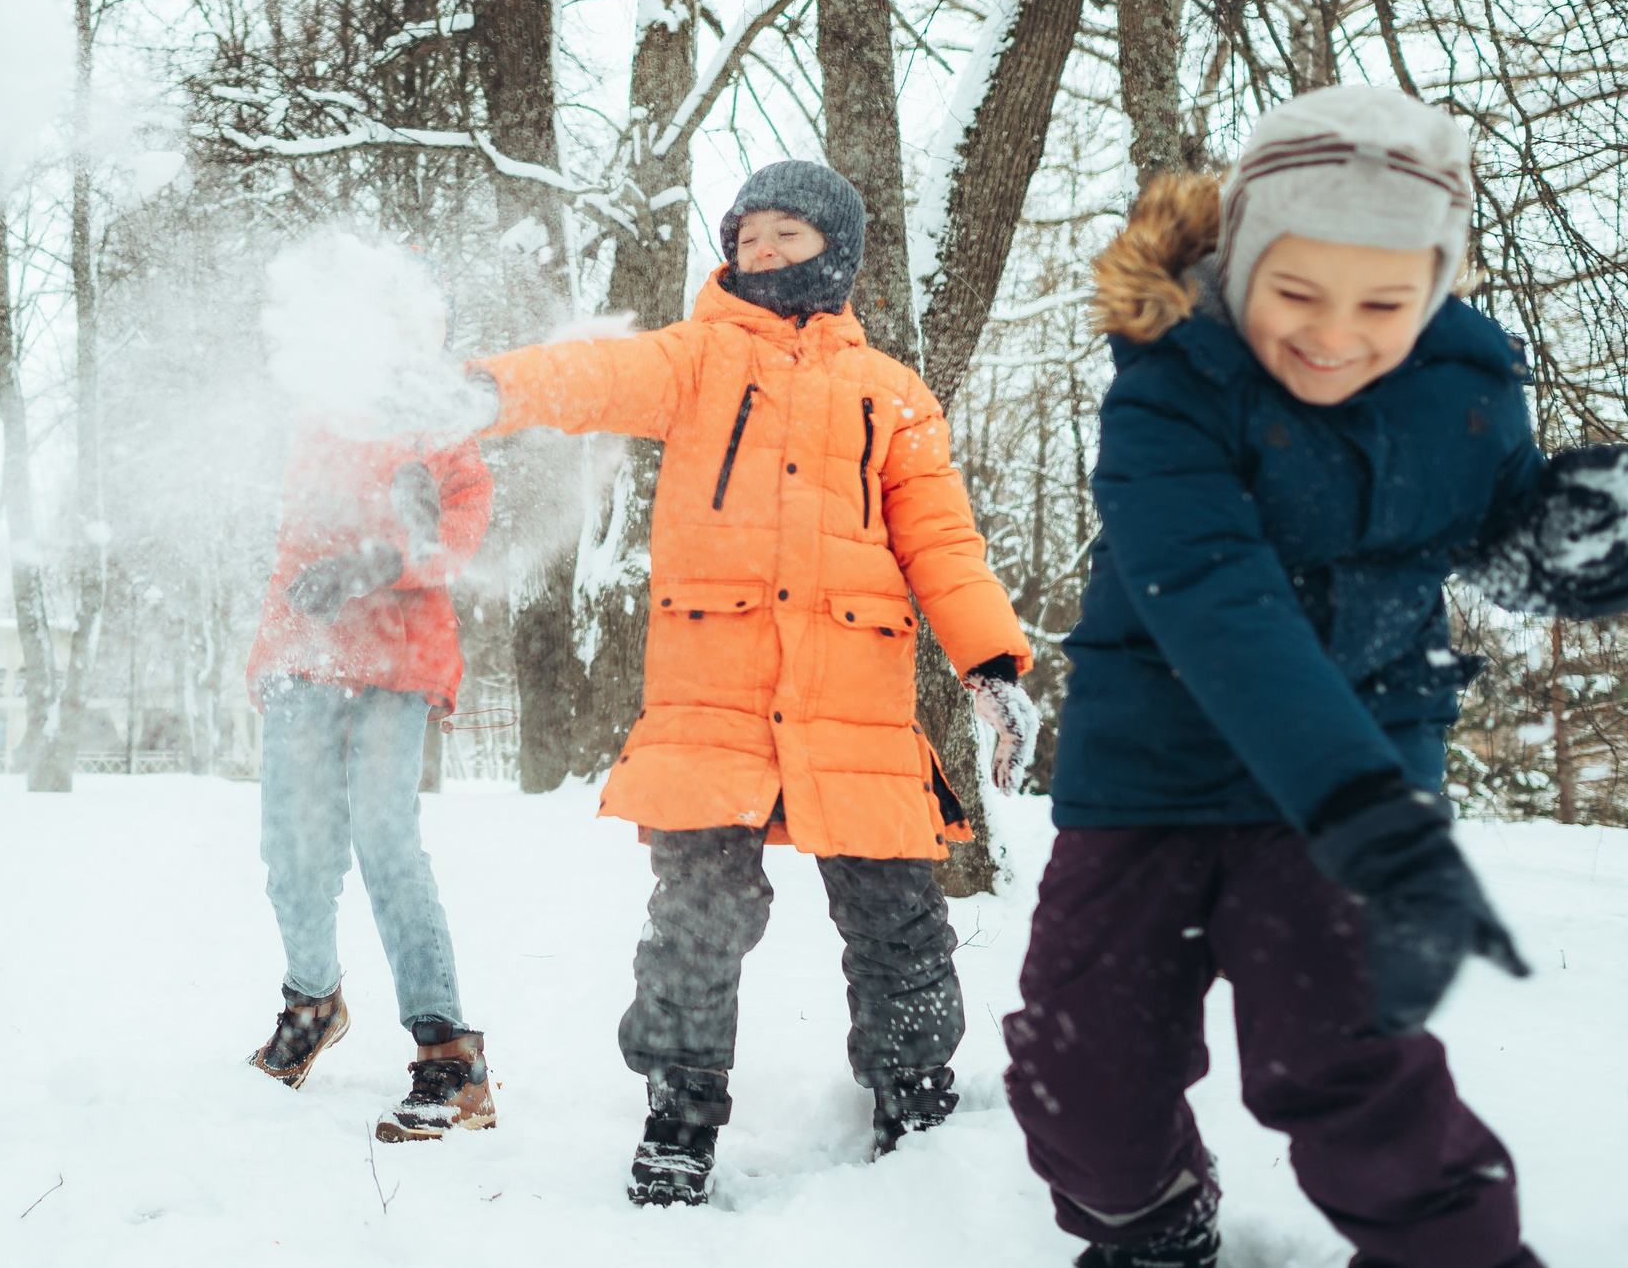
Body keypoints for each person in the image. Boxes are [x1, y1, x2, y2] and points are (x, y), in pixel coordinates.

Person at [1004, 86, 1628, 1268]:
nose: (1336, 333)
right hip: (1156, 772)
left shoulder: (1470, 382)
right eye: (1297, 292)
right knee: (1085, 1065)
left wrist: (1577, 544)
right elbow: (1214, 595)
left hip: (1365, 759)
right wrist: (1361, 810)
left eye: (1384, 301)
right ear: (1240, 263)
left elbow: (1494, 527)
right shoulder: (1169, 381)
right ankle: (1146, 1226)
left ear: (1436, 286)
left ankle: (1451, 1256)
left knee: (1343, 1060)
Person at [466, 162, 1036, 1202]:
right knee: (697, 916)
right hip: (710, 702)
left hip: (856, 705)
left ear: (839, 250)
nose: (763, 251)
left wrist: (990, 665)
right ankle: (678, 1120)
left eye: (788, 233)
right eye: (749, 234)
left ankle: (915, 1106)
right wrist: (488, 388)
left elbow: (943, 544)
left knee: (897, 920)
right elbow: (591, 376)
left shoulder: (893, 396)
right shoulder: (693, 362)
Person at [243, 269, 497, 1143]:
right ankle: (311, 1000)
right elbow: (294, 542)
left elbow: (462, 524)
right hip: (305, 654)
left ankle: (448, 1052)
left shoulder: (444, 418)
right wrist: (273, 653)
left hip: (399, 656)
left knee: (385, 837)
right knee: (291, 846)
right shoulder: (321, 410)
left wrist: (385, 561)